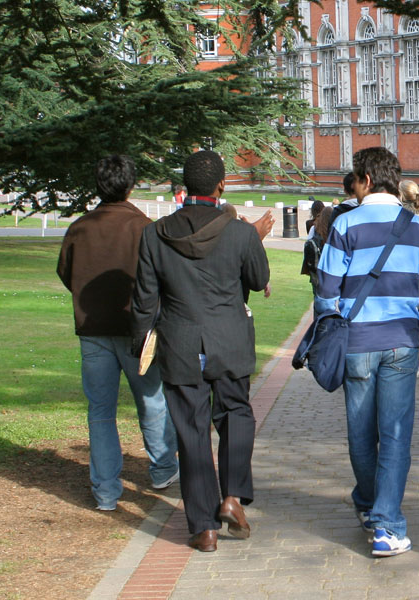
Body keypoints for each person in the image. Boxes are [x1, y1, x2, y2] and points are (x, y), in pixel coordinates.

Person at [131, 150, 272, 553]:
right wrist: (253, 241)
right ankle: (232, 497)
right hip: (228, 341)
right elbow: (259, 277)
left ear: (184, 187)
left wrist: (139, 346)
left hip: (180, 343)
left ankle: (204, 527)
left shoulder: (155, 234)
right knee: (236, 415)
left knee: (191, 432)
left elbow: (144, 301)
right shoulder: (241, 232)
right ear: (221, 185)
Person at [315, 147, 419, 558]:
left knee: (360, 433)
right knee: (394, 436)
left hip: (357, 343)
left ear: (367, 180)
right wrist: (418, 323)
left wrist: (342, 319)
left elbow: (325, 292)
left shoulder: (345, 224)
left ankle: (373, 507)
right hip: (400, 343)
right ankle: (386, 522)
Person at [56, 155, 178, 512]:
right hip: (136, 329)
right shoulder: (144, 228)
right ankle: (162, 469)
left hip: (93, 328)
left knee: (101, 412)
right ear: (130, 185)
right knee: (152, 402)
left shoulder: (79, 228)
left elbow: (67, 272)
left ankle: (106, 490)